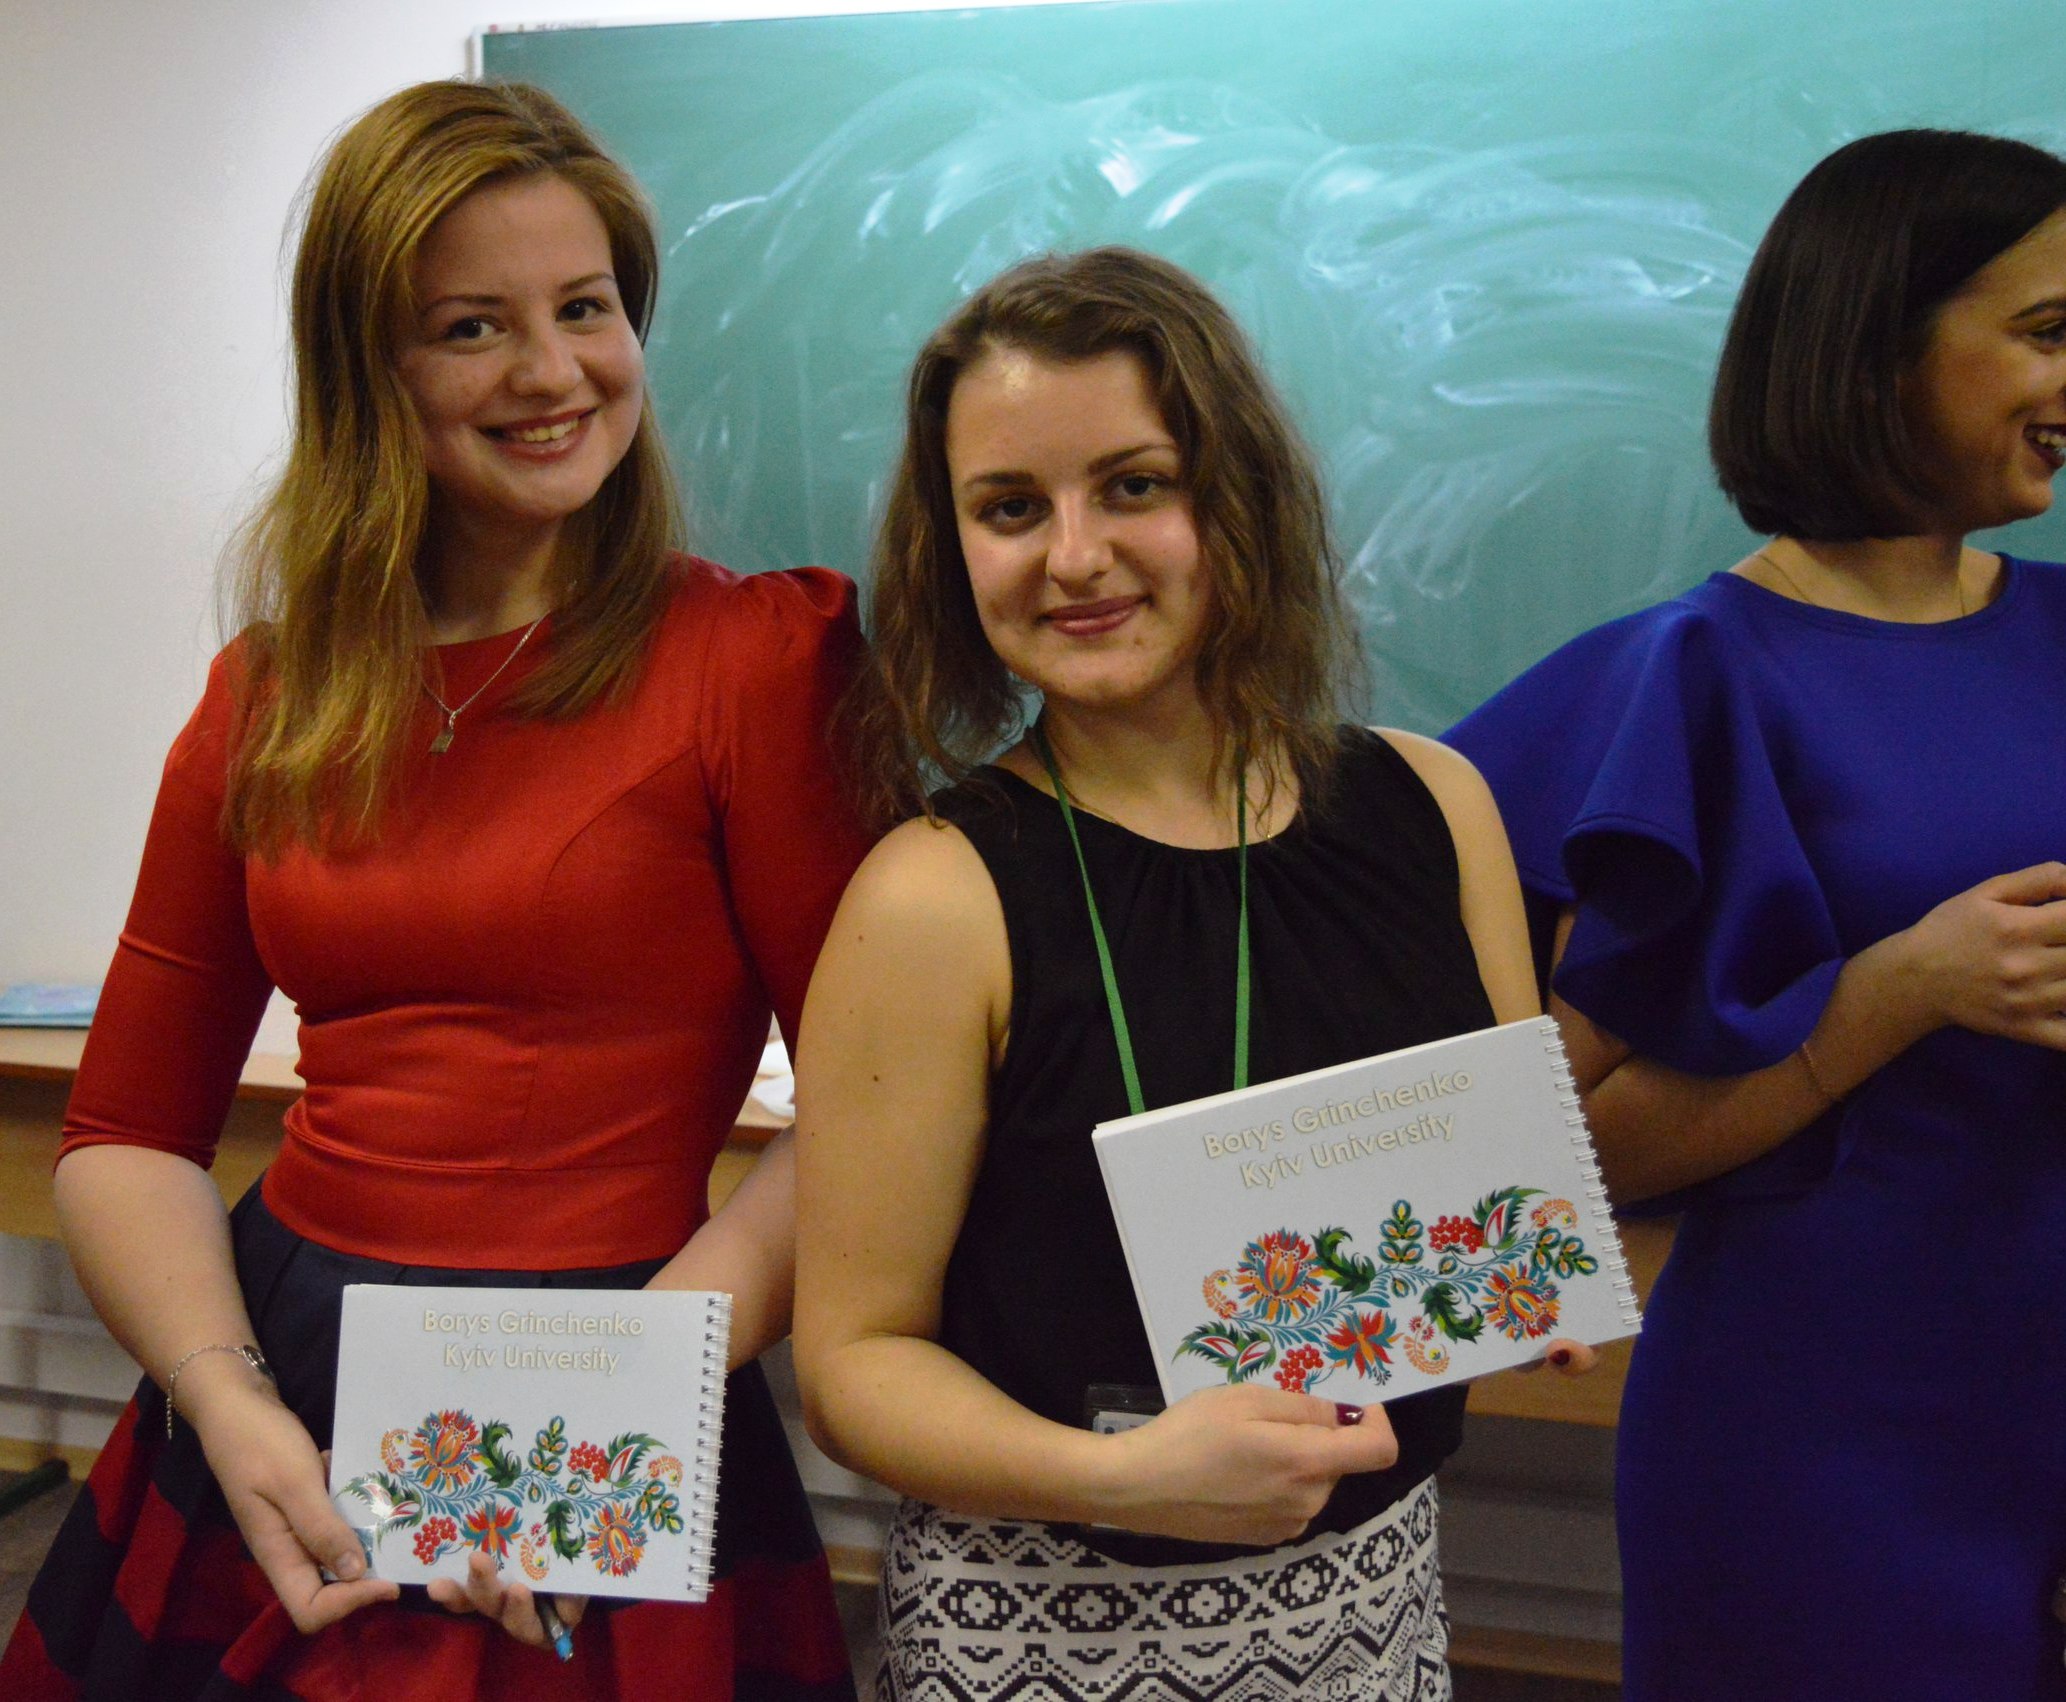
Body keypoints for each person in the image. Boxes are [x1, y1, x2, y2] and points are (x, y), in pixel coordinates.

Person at [1, 80, 866, 1701]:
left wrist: (625, 1389)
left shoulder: (758, 663)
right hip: (281, 1379)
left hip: (625, 1364)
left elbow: (877, 1117)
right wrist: (225, 1397)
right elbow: (123, 1135)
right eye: (474, 327)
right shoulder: (271, 695)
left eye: (586, 307)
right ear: (369, 368)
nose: (552, 372)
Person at [791, 247, 1590, 1702]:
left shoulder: (1437, 807)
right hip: (1049, 1632)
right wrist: (1116, 1474)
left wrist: (1505, 1277)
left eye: (1134, 485)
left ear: (1238, 496)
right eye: (1010, 508)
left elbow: (1487, 1168)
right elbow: (854, 1365)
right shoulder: (932, 897)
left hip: (1375, 1607)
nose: (1074, 556)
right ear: (950, 548)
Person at [1446, 129, 2066, 1700]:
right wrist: (1897, 988)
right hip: (1823, 1453)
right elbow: (1526, 1168)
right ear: (1873, 341)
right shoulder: (1687, 682)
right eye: (2047, 331)